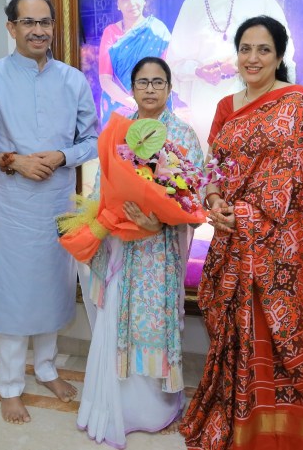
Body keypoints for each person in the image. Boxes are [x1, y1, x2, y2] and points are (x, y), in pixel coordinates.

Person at [180, 16, 303, 450]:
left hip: (283, 251)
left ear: (279, 55)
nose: (253, 58)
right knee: (238, 338)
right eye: (246, 48)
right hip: (232, 243)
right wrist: (214, 202)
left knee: (273, 340)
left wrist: (249, 214)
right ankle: (238, 425)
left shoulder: (298, 102)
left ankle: (283, 435)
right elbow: (212, 168)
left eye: (263, 49)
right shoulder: (226, 107)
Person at [0, 0, 99, 425]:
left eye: (45, 22)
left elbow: (92, 139)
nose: (38, 30)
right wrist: (10, 160)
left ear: (53, 26)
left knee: (53, 290)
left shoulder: (73, 79)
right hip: (12, 205)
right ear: (11, 27)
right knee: (13, 293)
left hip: (57, 202)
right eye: (28, 22)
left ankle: (46, 369)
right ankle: (8, 386)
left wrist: (61, 156)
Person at [77, 57, 204, 448]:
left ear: (169, 88)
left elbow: (194, 200)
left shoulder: (183, 135)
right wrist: (114, 220)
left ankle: (156, 408)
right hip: (120, 248)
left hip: (160, 252)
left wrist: (158, 223)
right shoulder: (119, 131)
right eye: (143, 82)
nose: (150, 89)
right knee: (119, 320)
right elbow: (102, 188)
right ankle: (121, 408)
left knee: (153, 322)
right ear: (131, 88)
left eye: (158, 82)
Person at [165, 0, 296, 150]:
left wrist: (240, 64)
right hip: (208, 100)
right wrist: (200, 71)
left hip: (253, 92)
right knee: (214, 165)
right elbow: (175, 63)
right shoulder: (192, 5)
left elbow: (283, 44)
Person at [98, 0, 171, 126]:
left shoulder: (158, 31)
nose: (132, 3)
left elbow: (167, 77)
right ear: (117, 3)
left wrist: (147, 105)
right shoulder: (110, 33)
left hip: (153, 109)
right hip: (118, 111)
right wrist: (132, 104)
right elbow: (105, 80)